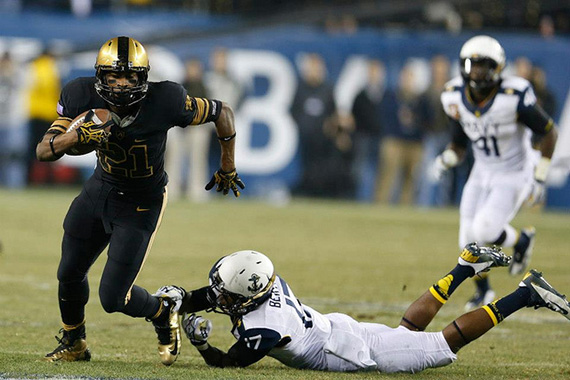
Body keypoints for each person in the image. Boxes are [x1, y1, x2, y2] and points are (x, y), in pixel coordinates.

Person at [36, 36, 245, 365]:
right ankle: (74, 342)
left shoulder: (167, 99)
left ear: (143, 78)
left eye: (129, 77)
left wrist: (228, 165)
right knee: (68, 272)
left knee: (113, 298)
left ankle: (162, 311)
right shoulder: (80, 93)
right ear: (99, 76)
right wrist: (76, 136)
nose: (120, 85)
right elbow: (44, 150)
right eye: (114, 76)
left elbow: (223, 112)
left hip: (141, 202)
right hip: (100, 189)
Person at [154, 246, 569, 373]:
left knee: (441, 348)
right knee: (405, 330)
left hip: (345, 349)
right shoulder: (267, 283)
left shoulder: (266, 327)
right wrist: (177, 299)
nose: (219, 297)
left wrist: (200, 345)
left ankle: (526, 294)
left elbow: (231, 365)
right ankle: (463, 268)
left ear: (248, 295)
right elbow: (207, 297)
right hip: (334, 327)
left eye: (227, 294)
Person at [432, 35, 558, 310]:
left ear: (498, 68)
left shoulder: (513, 96)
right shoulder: (453, 95)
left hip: (515, 171)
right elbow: (459, 142)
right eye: (472, 65)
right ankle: (484, 290)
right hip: (482, 169)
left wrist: (540, 174)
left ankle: (519, 240)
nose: (477, 72)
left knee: (485, 229)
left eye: (484, 65)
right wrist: (448, 157)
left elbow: (548, 132)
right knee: (467, 238)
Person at [165, 57, 210, 202]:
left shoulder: (205, 86)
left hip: (198, 127)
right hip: (180, 127)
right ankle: (171, 189)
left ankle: (197, 190)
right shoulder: (180, 86)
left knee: (198, 158)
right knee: (174, 158)